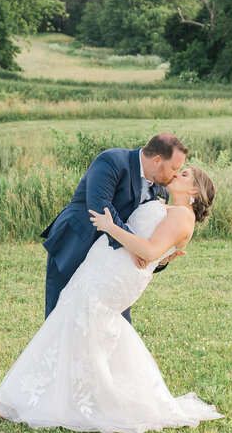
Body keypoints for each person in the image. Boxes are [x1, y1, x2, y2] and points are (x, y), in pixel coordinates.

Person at [0, 165, 222, 433]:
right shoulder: (169, 208)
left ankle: (14, 402)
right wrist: (161, 255)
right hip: (104, 265)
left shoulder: (183, 217)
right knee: (82, 323)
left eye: (185, 175)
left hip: (115, 276)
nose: (177, 174)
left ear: (194, 191)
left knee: (77, 318)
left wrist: (110, 227)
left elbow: (149, 251)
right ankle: (71, 392)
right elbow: (154, 248)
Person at [40, 133, 188, 324]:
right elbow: (99, 206)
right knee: (61, 318)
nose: (176, 174)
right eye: (175, 168)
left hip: (112, 267)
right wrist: (129, 246)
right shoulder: (112, 161)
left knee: (114, 326)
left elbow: (146, 237)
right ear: (157, 160)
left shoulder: (161, 190)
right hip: (76, 245)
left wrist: (159, 259)